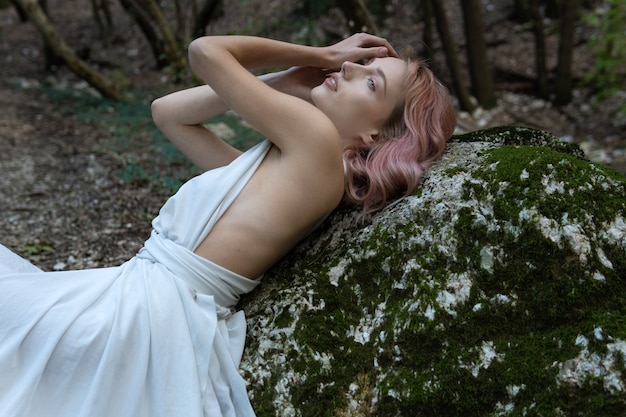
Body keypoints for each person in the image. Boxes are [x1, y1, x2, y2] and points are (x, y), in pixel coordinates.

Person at [0, 33, 455, 417]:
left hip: (141, 314)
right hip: (140, 305)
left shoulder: (315, 143)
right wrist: (283, 81)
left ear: (376, 136)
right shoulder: (291, 170)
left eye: (370, 81)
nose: (350, 69)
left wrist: (316, 55)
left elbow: (204, 51)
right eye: (355, 63)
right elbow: (169, 113)